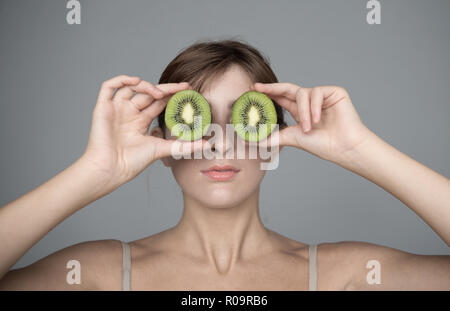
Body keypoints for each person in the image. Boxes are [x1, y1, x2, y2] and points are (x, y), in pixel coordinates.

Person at [0, 40, 449, 290]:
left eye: (243, 118)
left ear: (275, 138)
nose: (218, 141)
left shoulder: (344, 276)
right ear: (160, 143)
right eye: (194, 120)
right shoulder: (97, 274)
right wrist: (95, 171)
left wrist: (360, 149)